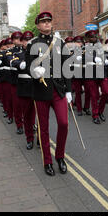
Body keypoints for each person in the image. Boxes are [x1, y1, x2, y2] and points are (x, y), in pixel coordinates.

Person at [26, 12, 72, 177]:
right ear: (38, 25)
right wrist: (34, 71)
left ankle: (60, 156)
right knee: (43, 128)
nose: (46, 24)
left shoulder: (60, 43)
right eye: (43, 22)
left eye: (48, 21)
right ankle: (47, 160)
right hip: (41, 91)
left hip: (58, 90)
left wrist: (68, 90)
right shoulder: (33, 44)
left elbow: (67, 67)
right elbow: (28, 67)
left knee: (64, 123)